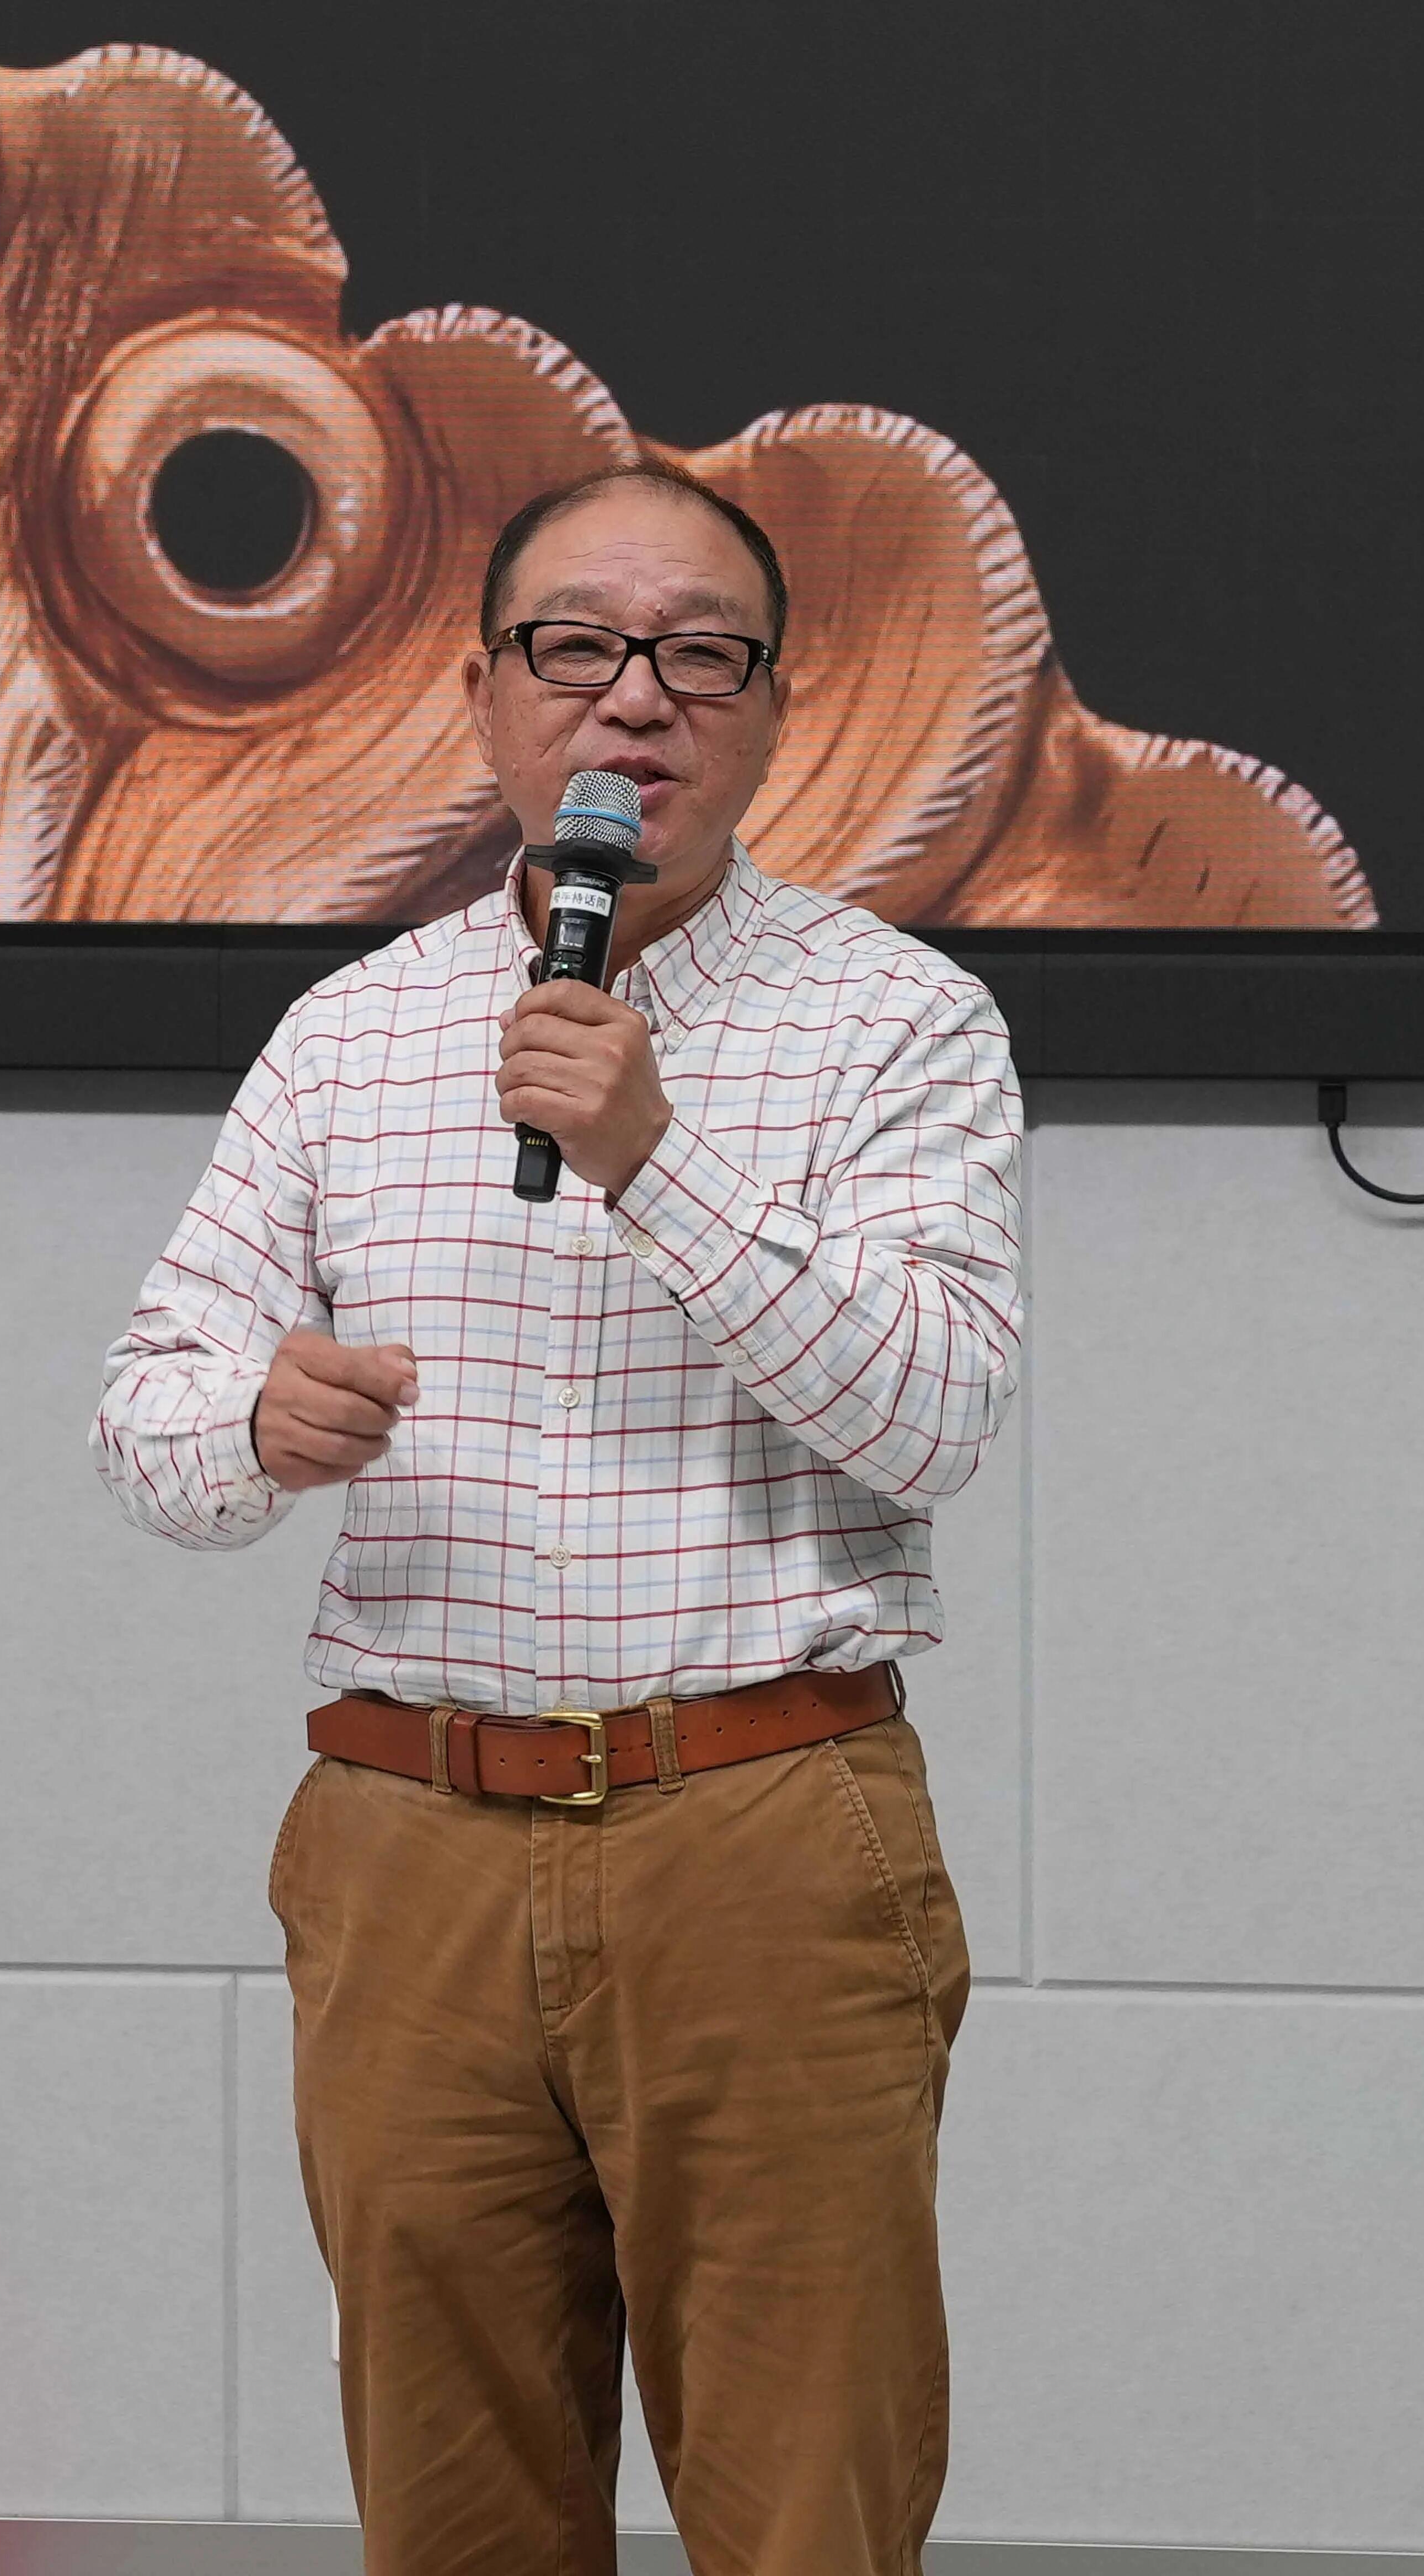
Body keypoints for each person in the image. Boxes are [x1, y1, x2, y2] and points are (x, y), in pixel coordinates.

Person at [91, 460, 1025, 2576]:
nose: (636, 700)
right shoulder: (351, 1035)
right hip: (410, 1844)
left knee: (807, 2508)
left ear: (772, 707)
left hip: (761, 1831)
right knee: (453, 2517)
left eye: (700, 656)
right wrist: (257, 1421)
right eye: (578, 648)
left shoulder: (898, 1019)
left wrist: (653, 1159)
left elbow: (935, 1417)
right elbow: (148, 1420)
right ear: (489, 695)